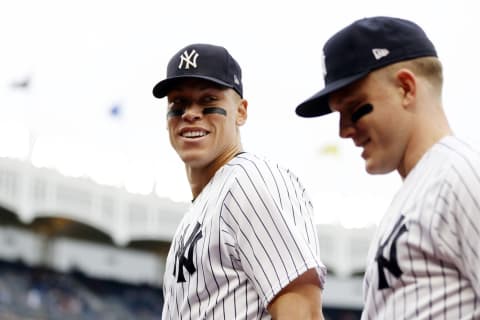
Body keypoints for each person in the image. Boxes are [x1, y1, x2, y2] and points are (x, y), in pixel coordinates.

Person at [295, 16, 480, 319]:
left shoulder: (461, 174)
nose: (344, 130)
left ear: (406, 88)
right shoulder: (417, 192)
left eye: (354, 109)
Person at [152, 43, 326, 319]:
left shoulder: (250, 179)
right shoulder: (202, 207)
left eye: (208, 101)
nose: (190, 113)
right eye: (178, 103)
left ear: (241, 112)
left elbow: (302, 308)